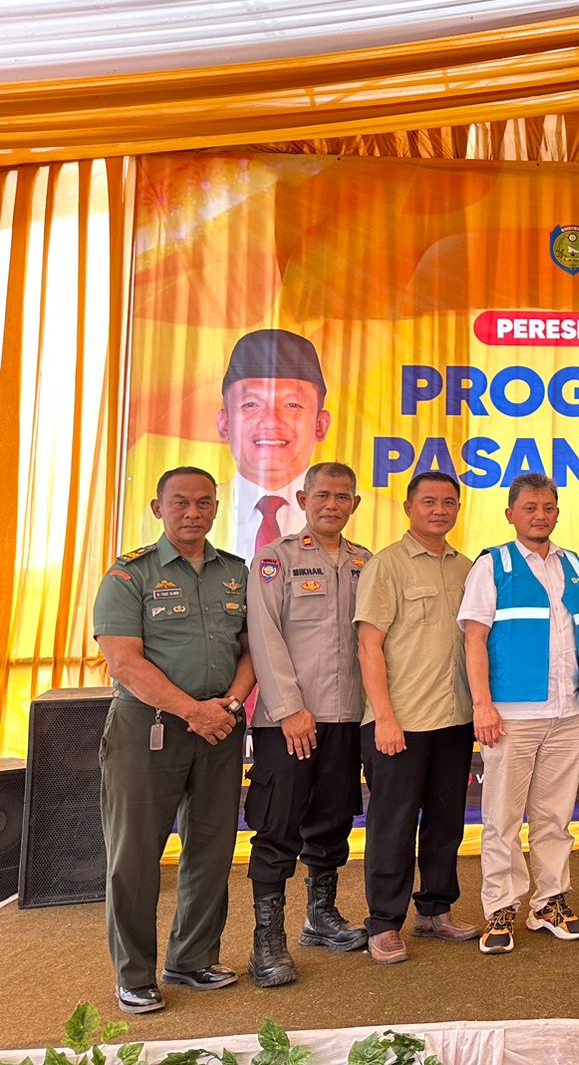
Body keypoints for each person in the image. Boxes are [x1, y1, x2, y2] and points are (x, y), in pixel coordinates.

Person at [93, 467, 255, 1015]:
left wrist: (229, 705)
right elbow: (124, 662)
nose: (193, 512)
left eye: (204, 503)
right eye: (181, 502)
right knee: (135, 856)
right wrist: (193, 711)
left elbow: (253, 648)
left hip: (221, 726)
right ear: (158, 508)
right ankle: (133, 975)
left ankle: (191, 959)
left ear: (215, 508)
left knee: (211, 850)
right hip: (150, 728)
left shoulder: (236, 572)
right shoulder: (128, 574)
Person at [459, 472, 579, 955]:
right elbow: (473, 639)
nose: (540, 515)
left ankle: (549, 902)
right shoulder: (492, 566)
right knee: (502, 818)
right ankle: (501, 907)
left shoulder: (575, 566)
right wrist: (483, 706)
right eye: (530, 508)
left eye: (548, 507)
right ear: (510, 514)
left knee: (554, 815)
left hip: (569, 711)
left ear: (558, 512)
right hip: (510, 716)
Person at [243, 462, 372, 987]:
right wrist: (289, 708)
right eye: (322, 495)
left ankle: (320, 916)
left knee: (334, 817)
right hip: (288, 721)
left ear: (354, 505)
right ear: (302, 497)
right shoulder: (275, 561)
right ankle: (265, 943)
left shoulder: (368, 563)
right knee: (277, 826)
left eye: (343, 497)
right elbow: (263, 635)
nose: (332, 505)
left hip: (346, 716)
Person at [354, 470, 477, 963]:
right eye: (429, 501)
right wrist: (383, 717)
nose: (439, 510)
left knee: (447, 821)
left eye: (449, 502)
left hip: (454, 719)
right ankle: (384, 922)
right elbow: (368, 645)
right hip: (398, 722)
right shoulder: (386, 566)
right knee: (393, 824)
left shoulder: (467, 568)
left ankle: (435, 909)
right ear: (409, 507)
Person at [217, 329, 332, 560]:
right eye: (251, 404)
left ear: (320, 424)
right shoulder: (189, 514)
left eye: (292, 405)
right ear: (224, 424)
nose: (270, 421)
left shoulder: (373, 515)